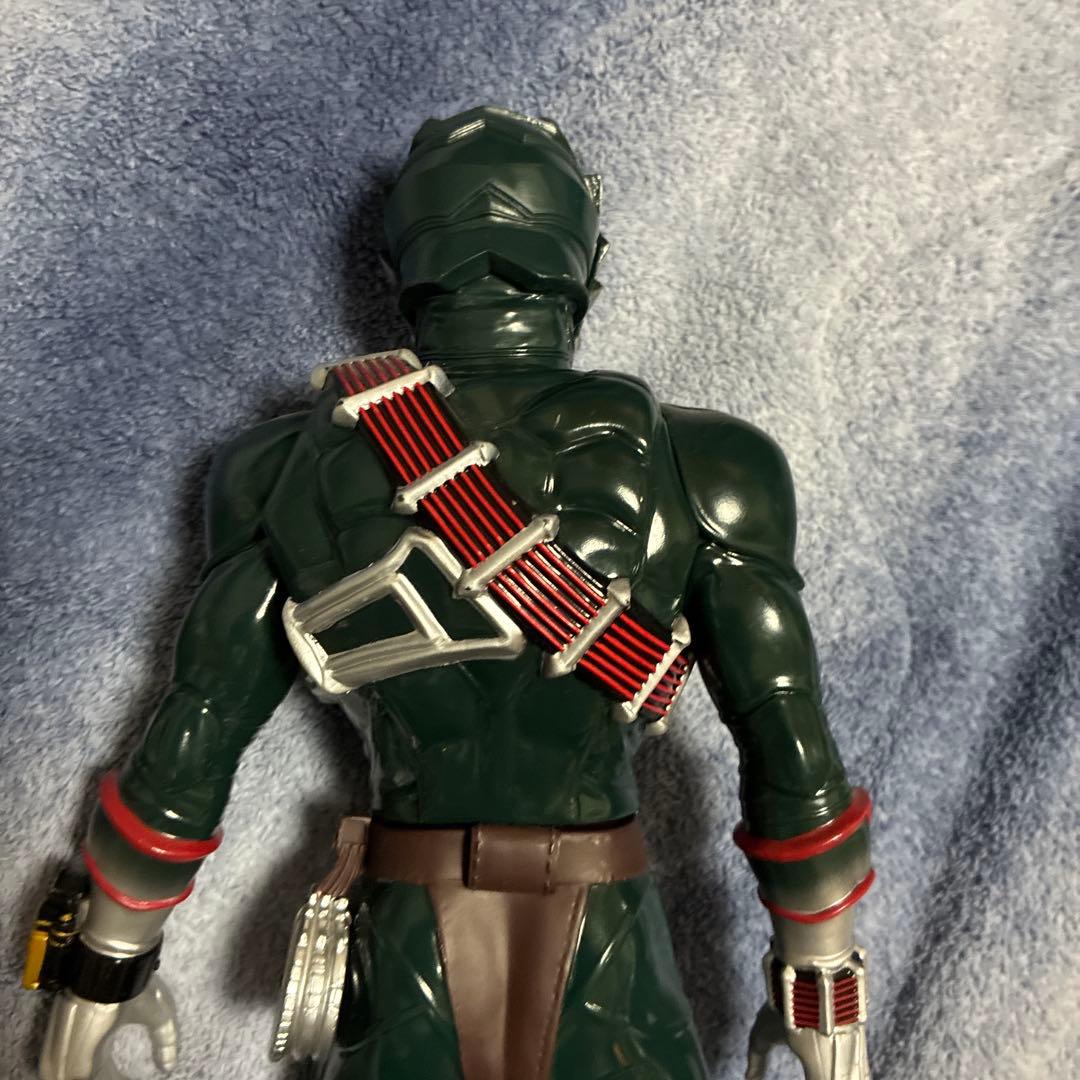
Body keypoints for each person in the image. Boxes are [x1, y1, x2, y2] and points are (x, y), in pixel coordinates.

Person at [32, 105, 872, 1080]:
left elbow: (197, 730)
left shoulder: (280, 468)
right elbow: (790, 749)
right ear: (587, 265)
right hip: (606, 945)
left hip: (406, 940)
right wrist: (823, 992)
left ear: (402, 268)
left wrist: (106, 965)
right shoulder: (711, 467)